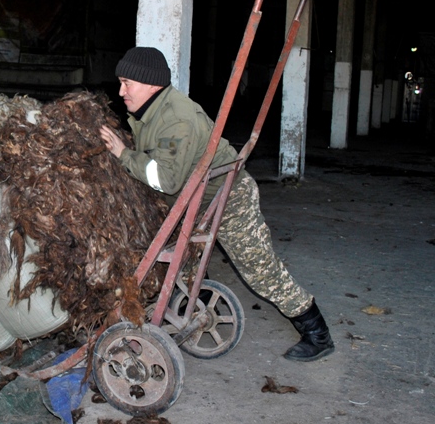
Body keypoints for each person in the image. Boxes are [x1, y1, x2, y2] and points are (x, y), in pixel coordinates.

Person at [99, 46, 334, 362]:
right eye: (120, 82)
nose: (121, 91)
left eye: (127, 83)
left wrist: (123, 155)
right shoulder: (150, 111)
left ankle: (317, 333)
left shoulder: (175, 119)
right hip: (197, 201)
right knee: (184, 261)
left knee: (260, 270)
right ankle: (191, 312)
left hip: (228, 198)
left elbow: (166, 179)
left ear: (151, 84)